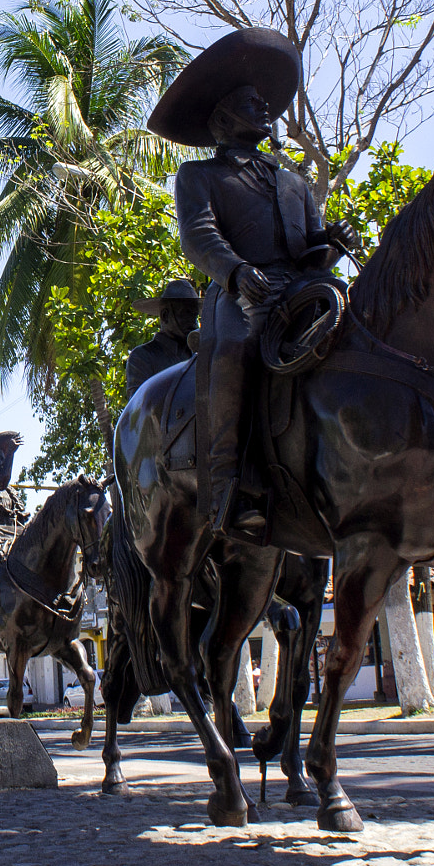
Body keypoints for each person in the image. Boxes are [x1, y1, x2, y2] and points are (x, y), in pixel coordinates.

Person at [148, 27, 351, 541]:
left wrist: (332, 243)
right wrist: (236, 272)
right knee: (236, 347)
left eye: (264, 102)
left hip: (299, 290)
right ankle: (230, 486)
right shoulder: (200, 177)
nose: (264, 108)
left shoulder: (294, 182)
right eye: (249, 101)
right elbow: (198, 234)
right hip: (241, 294)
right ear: (221, 120)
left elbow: (310, 253)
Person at [123, 279, 202, 404]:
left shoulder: (199, 355)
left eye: (195, 315)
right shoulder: (143, 356)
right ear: (165, 316)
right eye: (186, 314)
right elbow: (138, 409)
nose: (193, 322)